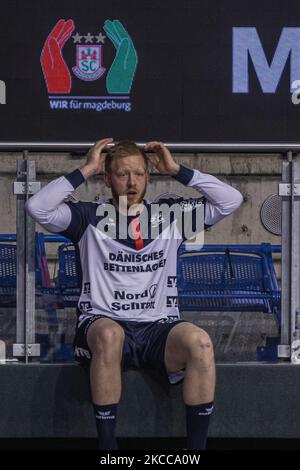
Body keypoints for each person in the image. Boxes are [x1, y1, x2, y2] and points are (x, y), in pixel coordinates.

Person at [25, 138, 243, 450]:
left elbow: (230, 201)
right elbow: (37, 207)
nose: (132, 182)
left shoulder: (171, 216)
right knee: (111, 335)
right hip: (103, 323)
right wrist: (85, 169)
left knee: (201, 342)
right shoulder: (87, 216)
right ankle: (108, 448)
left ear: (149, 177)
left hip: (158, 328)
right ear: (107, 178)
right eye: (123, 174)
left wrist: (177, 170)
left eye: (139, 174)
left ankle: (195, 451)